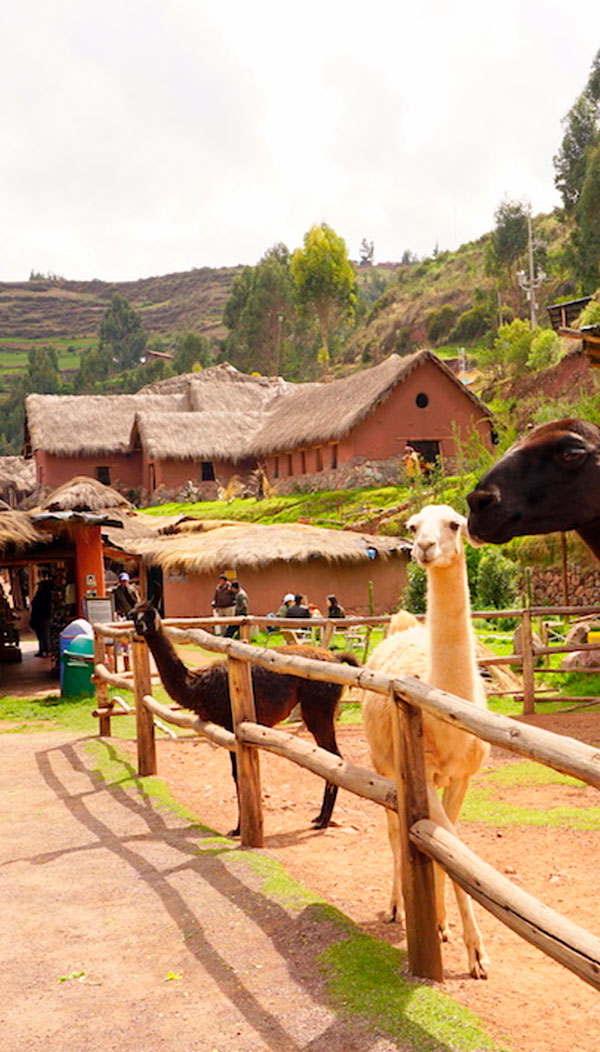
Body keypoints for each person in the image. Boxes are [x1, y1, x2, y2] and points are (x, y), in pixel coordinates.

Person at [29, 571, 52, 657]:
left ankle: (46, 650)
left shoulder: (43, 595)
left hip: (43, 617)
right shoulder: (44, 595)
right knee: (43, 634)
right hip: (41, 617)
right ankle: (44, 650)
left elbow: (36, 605)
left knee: (45, 634)